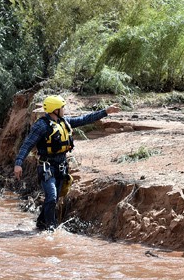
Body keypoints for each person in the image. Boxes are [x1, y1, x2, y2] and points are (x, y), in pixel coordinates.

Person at [14, 95, 121, 230]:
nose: (64, 109)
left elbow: (84, 119)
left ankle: (40, 225)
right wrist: (18, 163)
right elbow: (27, 145)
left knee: (53, 200)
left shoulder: (63, 121)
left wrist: (105, 112)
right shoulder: (41, 126)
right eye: (62, 107)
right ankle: (50, 230)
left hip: (61, 167)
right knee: (52, 197)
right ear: (55, 109)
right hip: (47, 167)